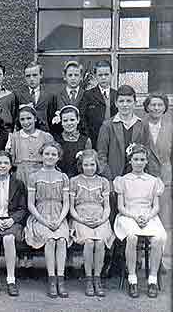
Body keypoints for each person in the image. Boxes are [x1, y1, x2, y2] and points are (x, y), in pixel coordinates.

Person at [113, 144, 167, 298]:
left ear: (146, 162)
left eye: (142, 159)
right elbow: (120, 207)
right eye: (135, 159)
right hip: (128, 215)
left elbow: (156, 206)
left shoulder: (153, 181)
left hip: (148, 215)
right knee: (132, 236)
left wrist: (148, 217)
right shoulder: (122, 180)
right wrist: (135, 217)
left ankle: (152, 279)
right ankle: (132, 279)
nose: (139, 162)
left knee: (159, 238)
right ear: (130, 161)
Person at [97, 85, 150, 222]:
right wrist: (111, 178)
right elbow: (101, 155)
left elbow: (146, 151)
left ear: (135, 102)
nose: (125, 105)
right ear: (116, 103)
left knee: (134, 211)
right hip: (115, 176)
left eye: (128, 101)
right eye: (121, 101)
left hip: (135, 176)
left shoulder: (141, 125)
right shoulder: (108, 125)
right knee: (115, 212)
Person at [24, 141, 70, 299]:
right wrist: (43, 220)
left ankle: (61, 279)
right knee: (50, 240)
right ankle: (51, 279)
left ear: (58, 157)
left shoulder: (63, 177)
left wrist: (59, 219)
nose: (50, 157)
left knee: (62, 240)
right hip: (40, 215)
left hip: (59, 215)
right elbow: (30, 204)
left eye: (53, 154)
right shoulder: (34, 176)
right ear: (42, 156)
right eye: (47, 154)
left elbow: (66, 203)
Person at [69, 149, 115, 297]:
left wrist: (102, 219)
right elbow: (71, 207)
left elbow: (107, 206)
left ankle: (97, 278)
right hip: (80, 218)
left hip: (99, 217)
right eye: (86, 165)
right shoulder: (74, 181)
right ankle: (88, 279)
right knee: (89, 242)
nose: (89, 167)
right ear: (81, 165)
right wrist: (80, 219)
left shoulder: (103, 182)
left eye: (92, 164)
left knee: (100, 242)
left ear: (97, 165)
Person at [0, 151, 27, 297]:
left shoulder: (18, 183)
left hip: (11, 219)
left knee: (9, 239)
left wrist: (12, 220)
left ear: (10, 165)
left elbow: (22, 208)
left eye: (6, 163)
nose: (2, 166)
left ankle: (11, 280)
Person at [143, 94, 173, 261]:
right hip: (145, 177)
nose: (155, 108)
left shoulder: (170, 128)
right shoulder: (142, 126)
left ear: (165, 107)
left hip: (164, 179)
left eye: (159, 105)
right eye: (152, 105)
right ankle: (140, 259)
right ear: (147, 107)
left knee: (162, 219)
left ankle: (160, 259)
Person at [7, 104, 54, 185]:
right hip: (20, 175)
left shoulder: (46, 136)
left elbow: (52, 158)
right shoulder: (14, 137)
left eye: (29, 118)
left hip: (41, 174)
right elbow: (11, 159)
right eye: (22, 119)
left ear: (35, 118)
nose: (26, 122)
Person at [79, 60, 118, 144]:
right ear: (96, 76)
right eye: (100, 75)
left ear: (112, 75)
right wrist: (88, 136)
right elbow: (82, 118)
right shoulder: (88, 95)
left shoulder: (117, 95)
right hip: (94, 139)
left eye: (106, 74)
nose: (103, 78)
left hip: (114, 139)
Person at [53, 105, 92, 177]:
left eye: (72, 120)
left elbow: (88, 162)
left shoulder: (85, 140)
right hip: (59, 177)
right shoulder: (56, 140)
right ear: (61, 122)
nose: (69, 123)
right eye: (65, 120)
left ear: (78, 120)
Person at [48, 61, 85, 136]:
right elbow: (51, 119)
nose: (73, 78)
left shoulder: (86, 95)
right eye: (70, 75)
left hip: (81, 137)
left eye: (76, 75)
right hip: (61, 136)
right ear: (64, 76)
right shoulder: (56, 96)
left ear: (81, 77)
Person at [18, 61, 52, 132]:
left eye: (35, 75)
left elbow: (51, 117)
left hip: (44, 133)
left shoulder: (50, 94)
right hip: (25, 134)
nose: (31, 79)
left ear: (41, 75)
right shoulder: (18, 94)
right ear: (24, 77)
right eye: (28, 76)